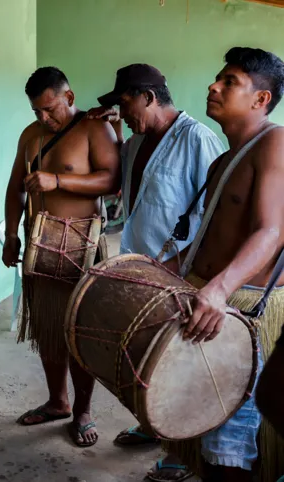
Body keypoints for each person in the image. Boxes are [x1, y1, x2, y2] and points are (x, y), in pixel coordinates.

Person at [88, 64, 225, 481]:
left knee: (181, 367)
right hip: (140, 274)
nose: (123, 113)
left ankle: (182, 453)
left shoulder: (197, 139)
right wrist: (107, 130)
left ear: (148, 96)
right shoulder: (133, 145)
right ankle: (153, 428)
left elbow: (216, 214)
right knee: (144, 362)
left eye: (125, 102)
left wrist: (184, 267)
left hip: (181, 278)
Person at [162, 47, 284, 482]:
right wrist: (156, 268)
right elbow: (207, 243)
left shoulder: (276, 143)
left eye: (229, 82)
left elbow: (271, 231)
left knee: (230, 449)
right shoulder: (223, 159)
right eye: (218, 78)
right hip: (211, 303)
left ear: (260, 99)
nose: (213, 86)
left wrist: (217, 288)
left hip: (243, 312)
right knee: (204, 437)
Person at [3, 67, 120, 447]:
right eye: (37, 110)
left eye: (50, 109)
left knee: (79, 335)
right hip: (39, 247)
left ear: (68, 98)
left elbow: (111, 180)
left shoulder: (93, 129)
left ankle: (83, 410)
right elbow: (15, 190)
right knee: (49, 330)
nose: (44, 118)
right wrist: (11, 235)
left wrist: (59, 180)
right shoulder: (30, 135)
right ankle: (58, 402)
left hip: (82, 248)